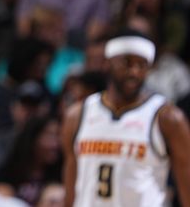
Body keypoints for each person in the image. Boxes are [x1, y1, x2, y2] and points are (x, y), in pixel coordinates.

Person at [61, 31, 190, 206]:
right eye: (126, 63)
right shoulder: (77, 115)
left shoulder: (167, 118)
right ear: (107, 63)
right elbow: (71, 188)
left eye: (142, 65)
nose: (134, 72)